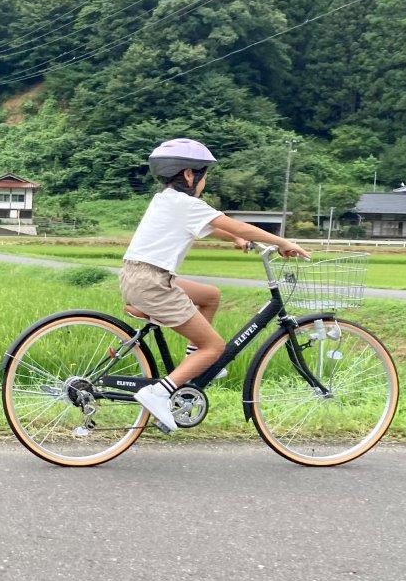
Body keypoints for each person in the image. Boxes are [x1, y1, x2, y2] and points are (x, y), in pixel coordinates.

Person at [121, 138, 309, 433]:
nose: (204, 182)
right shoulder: (186, 203)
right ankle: (158, 393)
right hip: (153, 283)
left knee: (210, 296)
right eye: (204, 175)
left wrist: (235, 239)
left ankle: (195, 361)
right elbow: (236, 224)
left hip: (139, 277)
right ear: (188, 174)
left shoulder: (166, 199)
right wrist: (281, 241)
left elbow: (216, 228)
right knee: (215, 346)